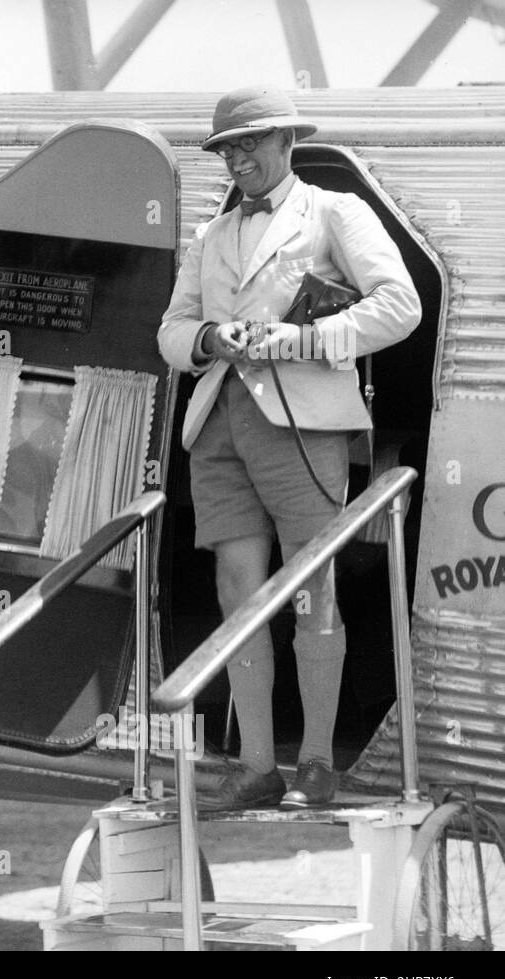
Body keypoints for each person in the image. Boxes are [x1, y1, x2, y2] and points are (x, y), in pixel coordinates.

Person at [158, 85, 420, 810]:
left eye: (249, 143)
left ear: (286, 143)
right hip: (218, 424)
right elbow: (171, 330)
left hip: (302, 425)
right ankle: (255, 765)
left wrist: (305, 338)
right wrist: (211, 339)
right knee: (237, 591)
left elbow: (400, 305)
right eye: (227, 148)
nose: (237, 158)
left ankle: (314, 761)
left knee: (314, 591)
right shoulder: (211, 235)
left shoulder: (335, 212)